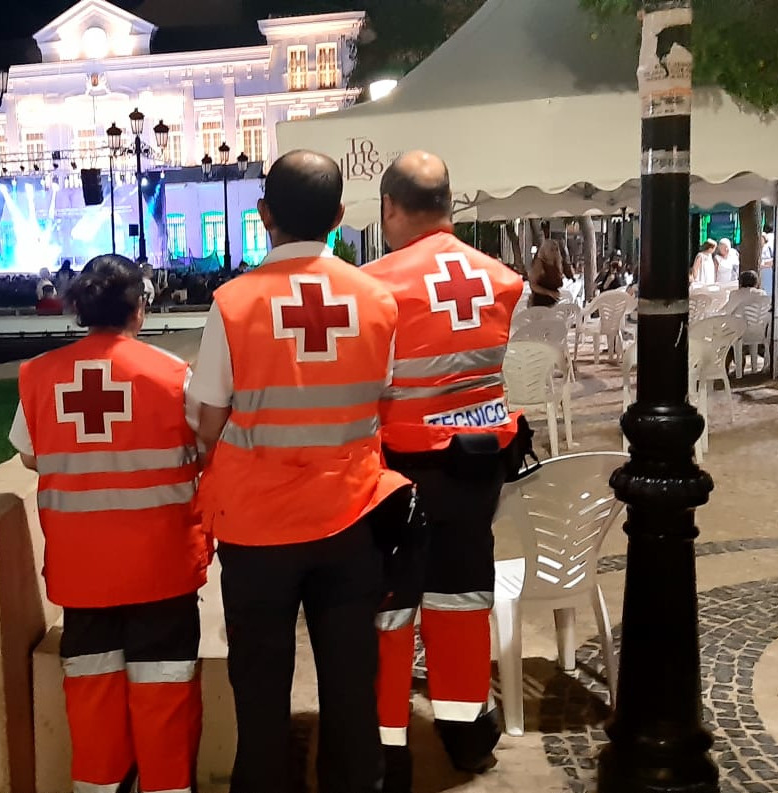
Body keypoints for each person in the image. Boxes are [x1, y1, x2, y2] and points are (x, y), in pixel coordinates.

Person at [190, 150, 409, 793]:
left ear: (264, 217)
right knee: (349, 690)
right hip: (351, 522)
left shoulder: (233, 305)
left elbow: (207, 420)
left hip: (257, 534)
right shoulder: (377, 301)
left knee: (259, 696)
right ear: (341, 216)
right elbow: (382, 399)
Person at [8, 254, 208, 793]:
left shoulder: (38, 375)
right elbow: (206, 445)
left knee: (93, 697)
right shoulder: (172, 375)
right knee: (165, 692)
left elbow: (30, 456)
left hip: (83, 576)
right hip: (162, 571)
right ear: (138, 309)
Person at [363, 151, 524, 790]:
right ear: (450, 205)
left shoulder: (377, 285)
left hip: (402, 470)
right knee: (464, 594)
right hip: (481, 466)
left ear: (390, 209)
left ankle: (390, 745)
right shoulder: (501, 279)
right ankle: (466, 734)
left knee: (394, 603)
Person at [527, 238, 563, 307]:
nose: (555, 252)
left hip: (554, 303)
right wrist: (549, 293)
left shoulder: (556, 265)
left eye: (556, 249)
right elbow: (533, 285)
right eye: (552, 249)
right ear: (545, 250)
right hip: (540, 303)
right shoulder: (539, 263)